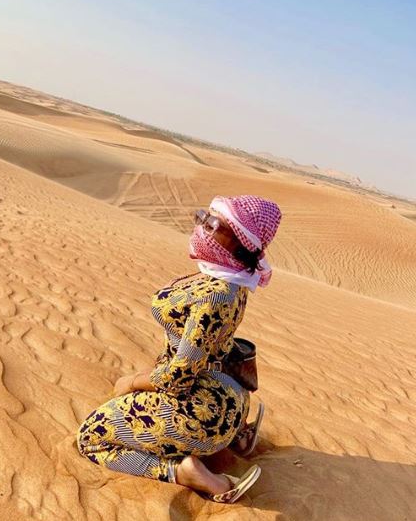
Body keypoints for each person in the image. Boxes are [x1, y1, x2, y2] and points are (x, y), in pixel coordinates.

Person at [76, 195, 282, 503]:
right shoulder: (229, 276)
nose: (200, 226)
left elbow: (178, 378)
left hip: (203, 414)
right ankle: (237, 437)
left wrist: (130, 382)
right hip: (226, 396)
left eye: (211, 224)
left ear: (236, 244)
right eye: (202, 217)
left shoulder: (217, 295)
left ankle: (187, 473)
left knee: (91, 438)